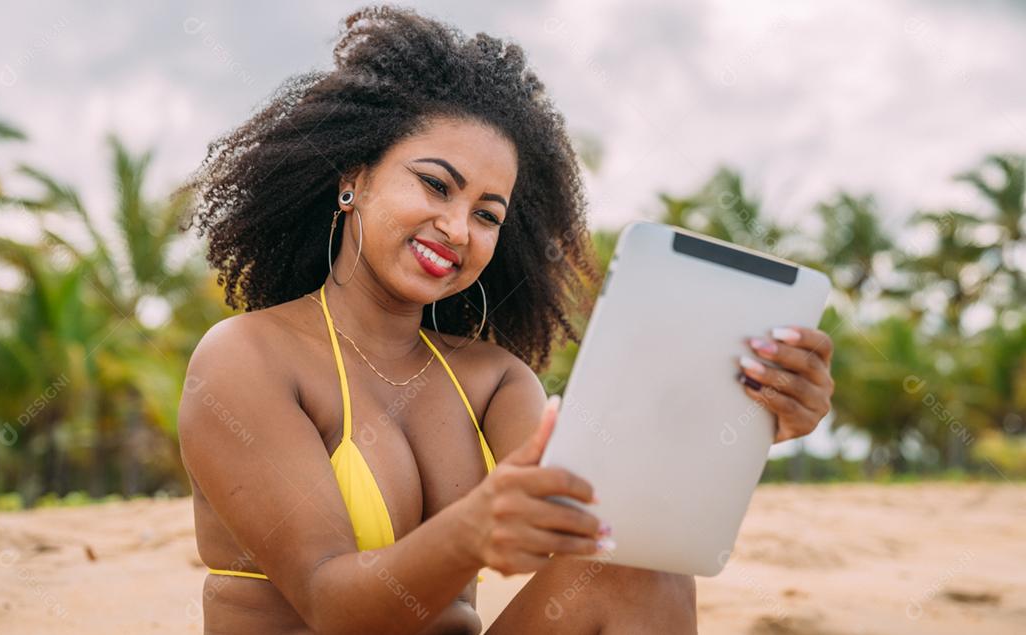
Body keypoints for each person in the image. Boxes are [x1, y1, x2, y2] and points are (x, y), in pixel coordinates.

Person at [176, 6, 835, 634]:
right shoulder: (247, 357)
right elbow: (332, 606)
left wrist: (746, 417)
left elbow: (602, 513)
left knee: (638, 569)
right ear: (354, 180)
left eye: (488, 214)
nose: (457, 227)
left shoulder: (493, 381)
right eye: (436, 184)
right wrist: (472, 528)